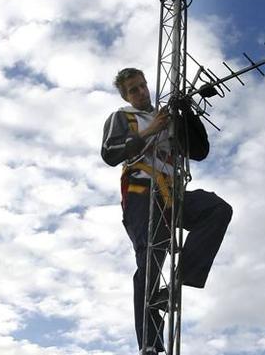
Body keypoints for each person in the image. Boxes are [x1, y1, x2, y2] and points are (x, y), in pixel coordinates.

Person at [101, 68, 232, 354]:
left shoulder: (167, 118)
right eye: (133, 90)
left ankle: (179, 280)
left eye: (142, 86)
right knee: (149, 258)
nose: (141, 92)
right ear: (126, 96)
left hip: (172, 192)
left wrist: (187, 114)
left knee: (217, 209)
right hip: (141, 192)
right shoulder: (123, 117)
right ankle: (149, 342)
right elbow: (110, 153)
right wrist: (150, 130)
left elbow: (198, 151)